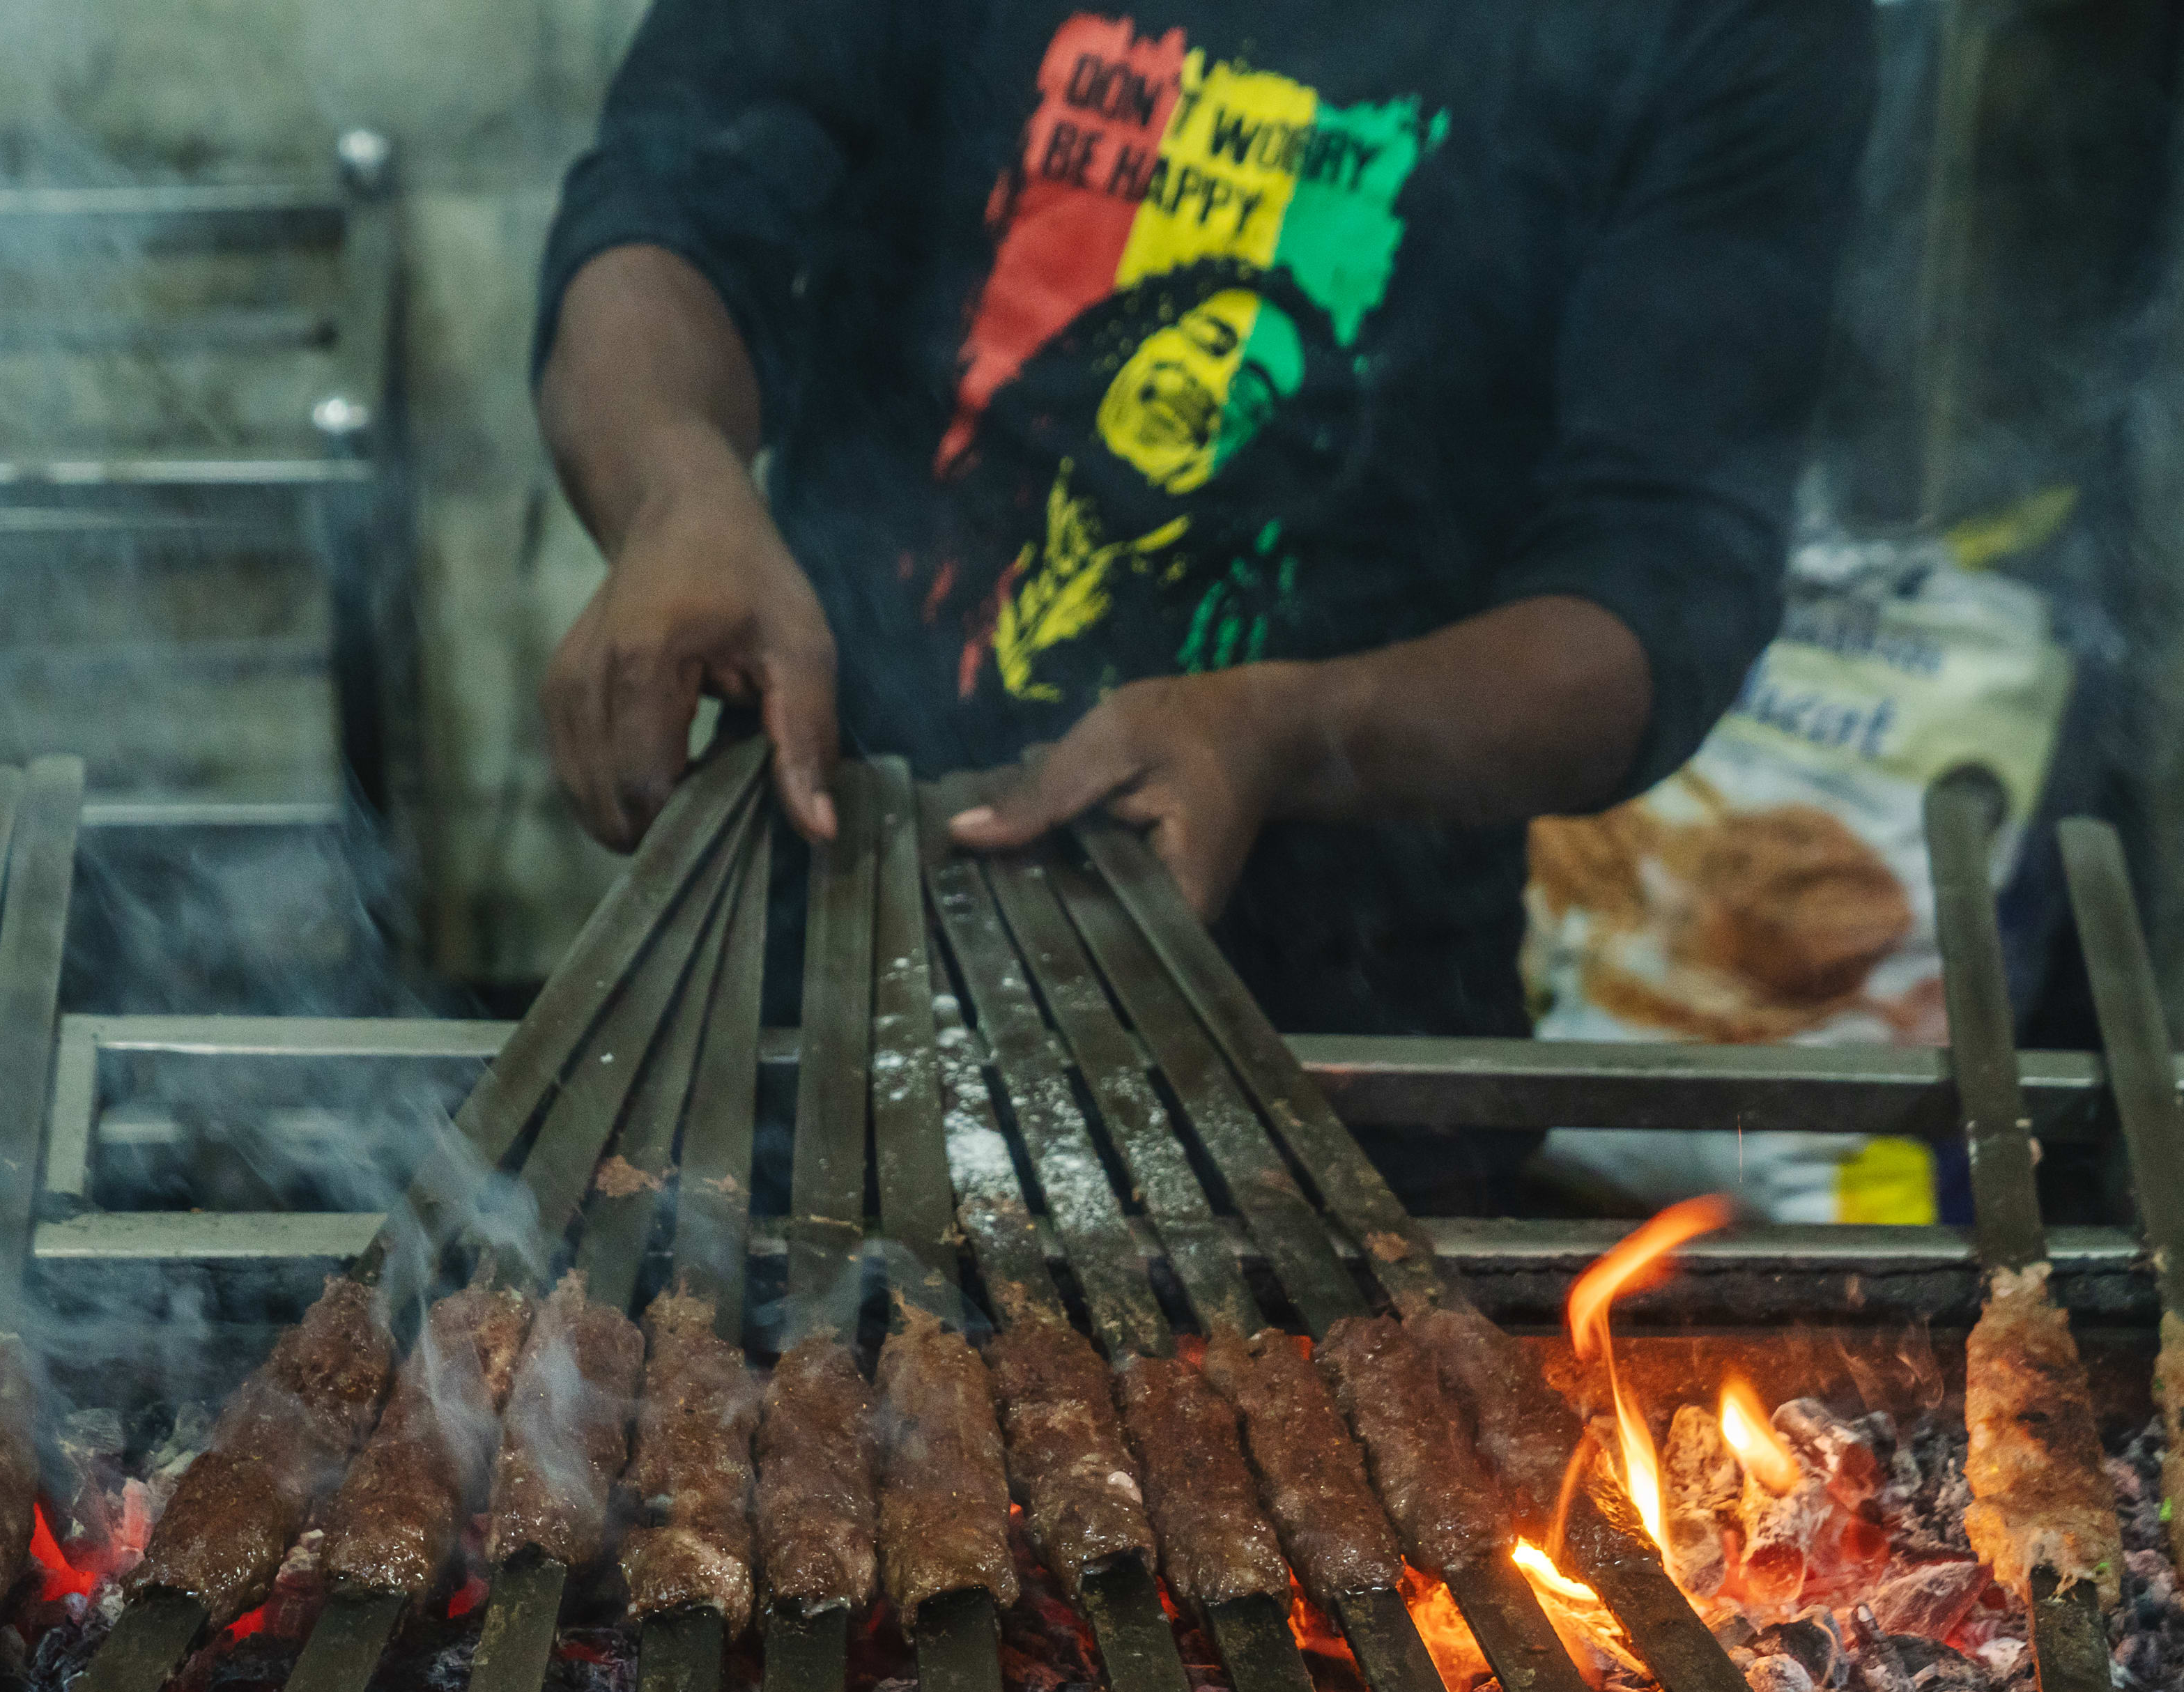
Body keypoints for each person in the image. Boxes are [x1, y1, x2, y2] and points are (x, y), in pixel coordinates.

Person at [532, 1, 1875, 1203]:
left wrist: (1289, 729)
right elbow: (667, 209)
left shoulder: (1723, 26)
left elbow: (1657, 578)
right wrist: (675, 493)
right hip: (807, 1013)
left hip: (1335, 1087)